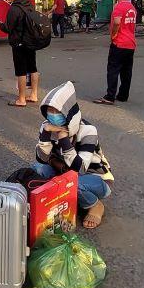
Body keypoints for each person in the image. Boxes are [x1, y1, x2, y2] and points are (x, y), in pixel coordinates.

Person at [32, 81, 112, 229]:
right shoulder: (47, 126)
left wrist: (63, 139)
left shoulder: (88, 130)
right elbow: (41, 159)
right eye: (50, 111)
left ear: (68, 113)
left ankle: (95, 205)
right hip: (65, 172)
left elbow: (80, 168)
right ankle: (61, 197)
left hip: (93, 178)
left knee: (76, 184)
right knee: (37, 169)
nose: (53, 116)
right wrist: (45, 135)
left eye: (58, 112)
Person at [94, 0, 137, 106]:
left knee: (113, 70)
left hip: (119, 43)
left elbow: (117, 22)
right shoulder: (131, 7)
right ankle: (123, 95)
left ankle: (110, 96)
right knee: (126, 71)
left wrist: (113, 34)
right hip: (131, 43)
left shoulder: (119, 7)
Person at [0, 0, 39, 107]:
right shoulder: (28, 4)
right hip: (31, 42)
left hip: (19, 43)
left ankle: (21, 99)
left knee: (21, 71)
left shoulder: (14, 8)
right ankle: (34, 94)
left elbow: (8, 27)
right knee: (33, 68)